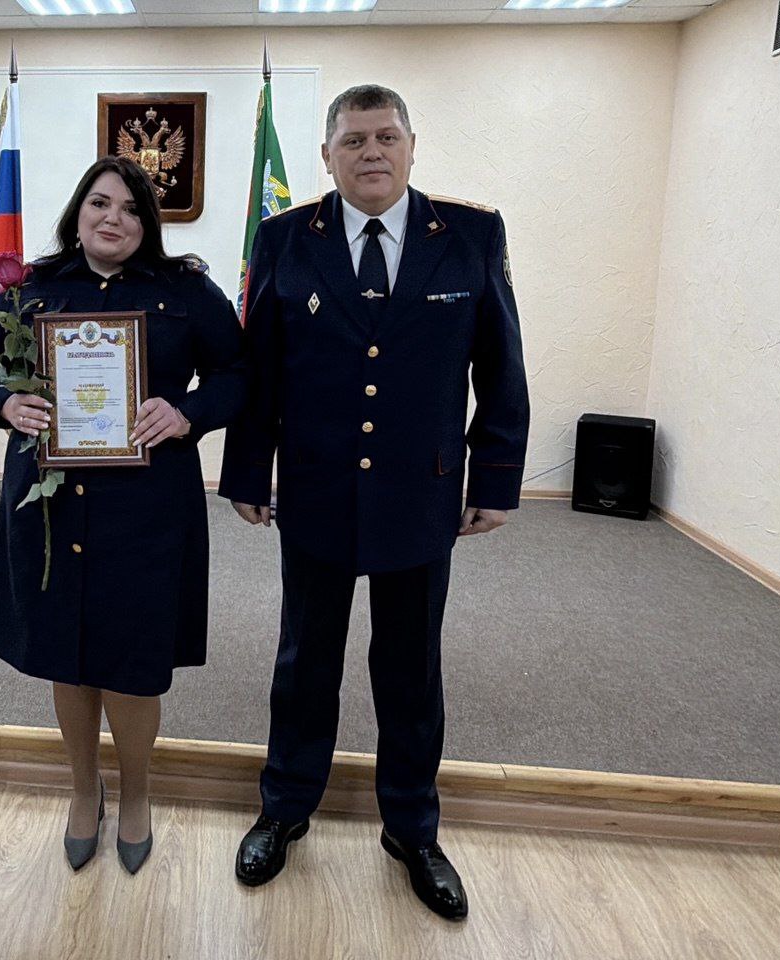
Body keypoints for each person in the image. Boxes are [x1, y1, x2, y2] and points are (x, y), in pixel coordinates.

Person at [219, 84, 530, 920]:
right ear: (327, 156)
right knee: (304, 662)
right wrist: (248, 471)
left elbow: (502, 367)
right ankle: (285, 809)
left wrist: (494, 479)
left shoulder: (469, 235)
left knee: (410, 669)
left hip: (420, 495)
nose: (371, 153)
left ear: (412, 146)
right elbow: (261, 369)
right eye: (353, 140)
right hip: (315, 490)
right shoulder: (286, 238)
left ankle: (413, 829)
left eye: (386, 137)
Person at [0, 156, 245, 874]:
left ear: (148, 222)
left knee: (133, 662)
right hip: (54, 504)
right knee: (68, 653)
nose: (112, 218)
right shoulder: (30, 288)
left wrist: (187, 412)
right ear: (78, 212)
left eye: (130, 207)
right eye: (99, 203)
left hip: (147, 506)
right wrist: (5, 402)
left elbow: (239, 374)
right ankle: (83, 791)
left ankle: (139, 792)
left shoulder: (186, 290)